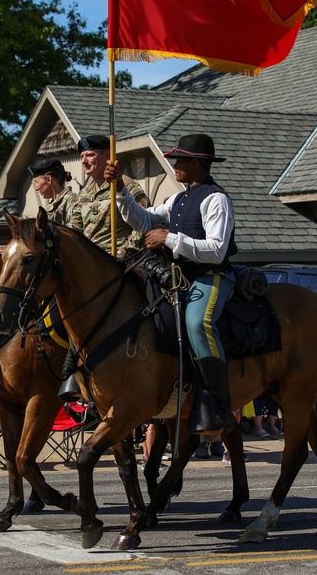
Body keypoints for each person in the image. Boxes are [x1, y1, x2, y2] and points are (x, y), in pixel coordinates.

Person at [107, 133, 237, 433]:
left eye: (179, 160)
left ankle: (219, 402)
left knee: (197, 324)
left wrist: (170, 238)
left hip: (211, 276)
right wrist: (119, 188)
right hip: (176, 278)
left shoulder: (217, 199)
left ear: (195, 163)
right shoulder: (178, 199)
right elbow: (141, 220)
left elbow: (217, 250)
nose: (174, 165)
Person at [69, 135, 149, 258]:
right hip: (91, 261)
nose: (84, 161)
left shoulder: (126, 187)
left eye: (90, 155)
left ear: (107, 156)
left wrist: (122, 255)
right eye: (82, 156)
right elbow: (74, 229)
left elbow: (144, 225)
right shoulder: (84, 194)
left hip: (121, 263)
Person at [28, 158, 78, 226]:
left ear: (49, 179)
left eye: (36, 182)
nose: (36, 188)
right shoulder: (52, 206)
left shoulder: (73, 202)